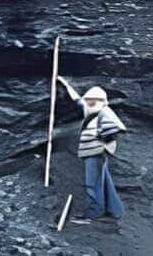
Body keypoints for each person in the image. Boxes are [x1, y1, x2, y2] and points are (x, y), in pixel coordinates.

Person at [56, 75, 127, 222]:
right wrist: (65, 84)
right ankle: (115, 210)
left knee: (92, 183)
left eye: (93, 101)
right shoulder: (93, 112)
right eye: (89, 100)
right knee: (104, 182)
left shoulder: (104, 112)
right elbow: (78, 100)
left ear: (102, 101)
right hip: (93, 153)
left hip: (96, 153)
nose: (90, 103)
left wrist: (104, 138)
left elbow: (117, 127)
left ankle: (93, 214)